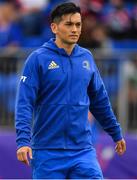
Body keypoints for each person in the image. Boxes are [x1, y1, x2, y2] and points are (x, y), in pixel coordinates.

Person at [15, 2, 126, 179]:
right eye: (69, 24)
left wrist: (115, 132)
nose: (75, 29)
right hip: (47, 152)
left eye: (78, 24)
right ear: (54, 27)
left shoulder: (87, 58)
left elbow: (100, 101)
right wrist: (22, 141)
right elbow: (24, 103)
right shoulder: (37, 59)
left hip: (82, 151)